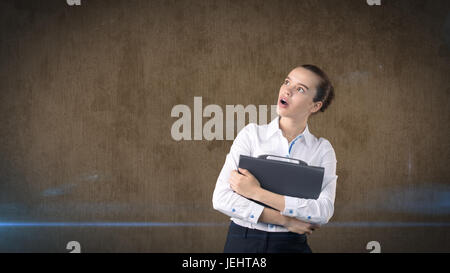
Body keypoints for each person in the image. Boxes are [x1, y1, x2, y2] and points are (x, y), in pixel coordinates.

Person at [212, 64, 338, 253]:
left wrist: (255, 192)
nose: (287, 90)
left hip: (292, 245)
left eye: (300, 89)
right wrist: (285, 220)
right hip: (244, 241)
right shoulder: (251, 135)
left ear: (315, 105)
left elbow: (323, 211)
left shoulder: (322, 150)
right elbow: (221, 198)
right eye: (287, 82)